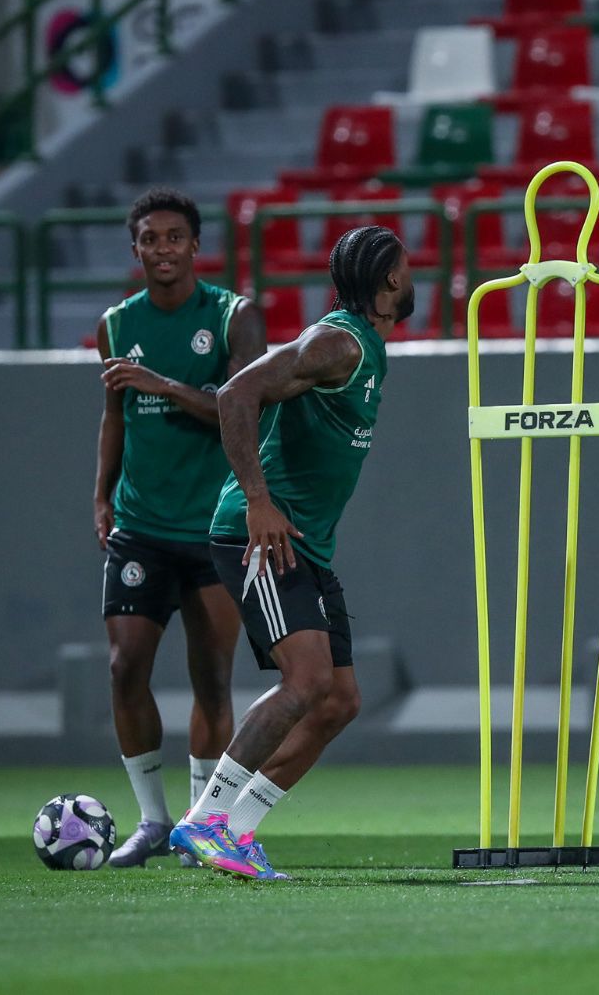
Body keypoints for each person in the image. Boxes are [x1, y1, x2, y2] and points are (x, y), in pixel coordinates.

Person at [168, 225, 415, 881]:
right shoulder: (338, 343)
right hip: (259, 534)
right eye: (408, 265)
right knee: (304, 681)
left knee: (338, 700)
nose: (413, 275)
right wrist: (257, 499)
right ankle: (205, 820)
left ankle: (237, 829)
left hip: (307, 545)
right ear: (391, 279)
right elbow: (234, 393)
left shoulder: (363, 348)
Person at [94, 187, 266, 867]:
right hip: (140, 523)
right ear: (134, 249)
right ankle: (152, 820)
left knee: (212, 676)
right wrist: (100, 496)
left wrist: (163, 384)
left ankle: (199, 825)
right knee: (124, 667)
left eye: (174, 237)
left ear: (196, 245)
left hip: (212, 525)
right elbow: (113, 415)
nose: (161, 248)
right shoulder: (116, 323)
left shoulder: (232, 317)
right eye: (149, 238)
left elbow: (242, 409)